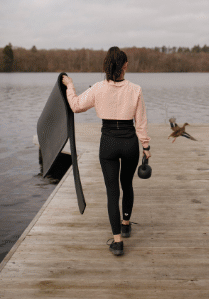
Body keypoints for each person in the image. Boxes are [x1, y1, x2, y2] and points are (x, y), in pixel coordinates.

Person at [62, 47, 151, 256]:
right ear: (125, 66)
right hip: (130, 143)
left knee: (112, 193)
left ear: (106, 66)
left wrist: (70, 85)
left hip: (108, 143)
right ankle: (126, 223)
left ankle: (118, 241)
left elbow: (75, 105)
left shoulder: (98, 88)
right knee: (127, 184)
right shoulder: (136, 89)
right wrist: (146, 146)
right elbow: (141, 123)